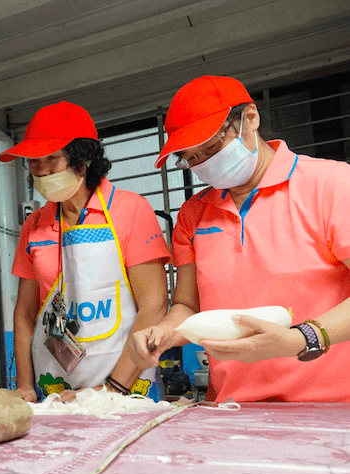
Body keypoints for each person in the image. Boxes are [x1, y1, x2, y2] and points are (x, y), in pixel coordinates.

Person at [128, 75, 350, 403]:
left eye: (212, 148)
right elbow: (188, 305)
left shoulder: (331, 184)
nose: (203, 164)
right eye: (191, 158)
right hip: (234, 408)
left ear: (250, 118)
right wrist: (165, 332)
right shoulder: (193, 214)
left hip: (331, 408)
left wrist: (299, 338)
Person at [2, 101, 171, 403]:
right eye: (33, 162)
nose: (40, 171)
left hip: (124, 392)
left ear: (83, 160)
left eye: (51, 159)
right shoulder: (34, 225)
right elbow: (25, 314)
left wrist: (111, 389)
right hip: (56, 393)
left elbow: (154, 305)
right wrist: (24, 384)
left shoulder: (130, 209)